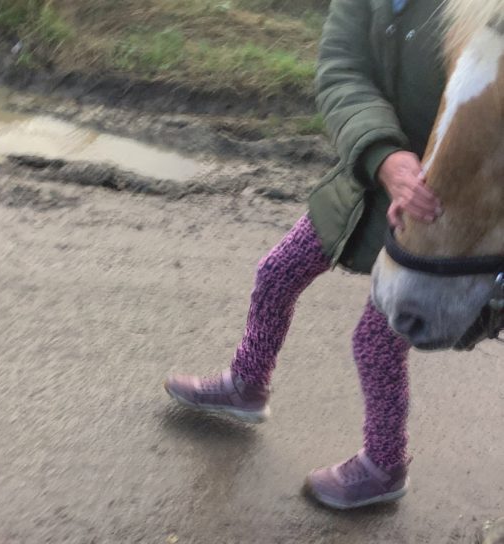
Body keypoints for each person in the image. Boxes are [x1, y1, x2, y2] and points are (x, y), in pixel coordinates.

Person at [164, 0, 447, 510]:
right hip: (363, 182)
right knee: (277, 272)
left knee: (377, 343)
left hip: (437, 209)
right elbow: (342, 70)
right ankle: (247, 384)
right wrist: (383, 155)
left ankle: (385, 465)